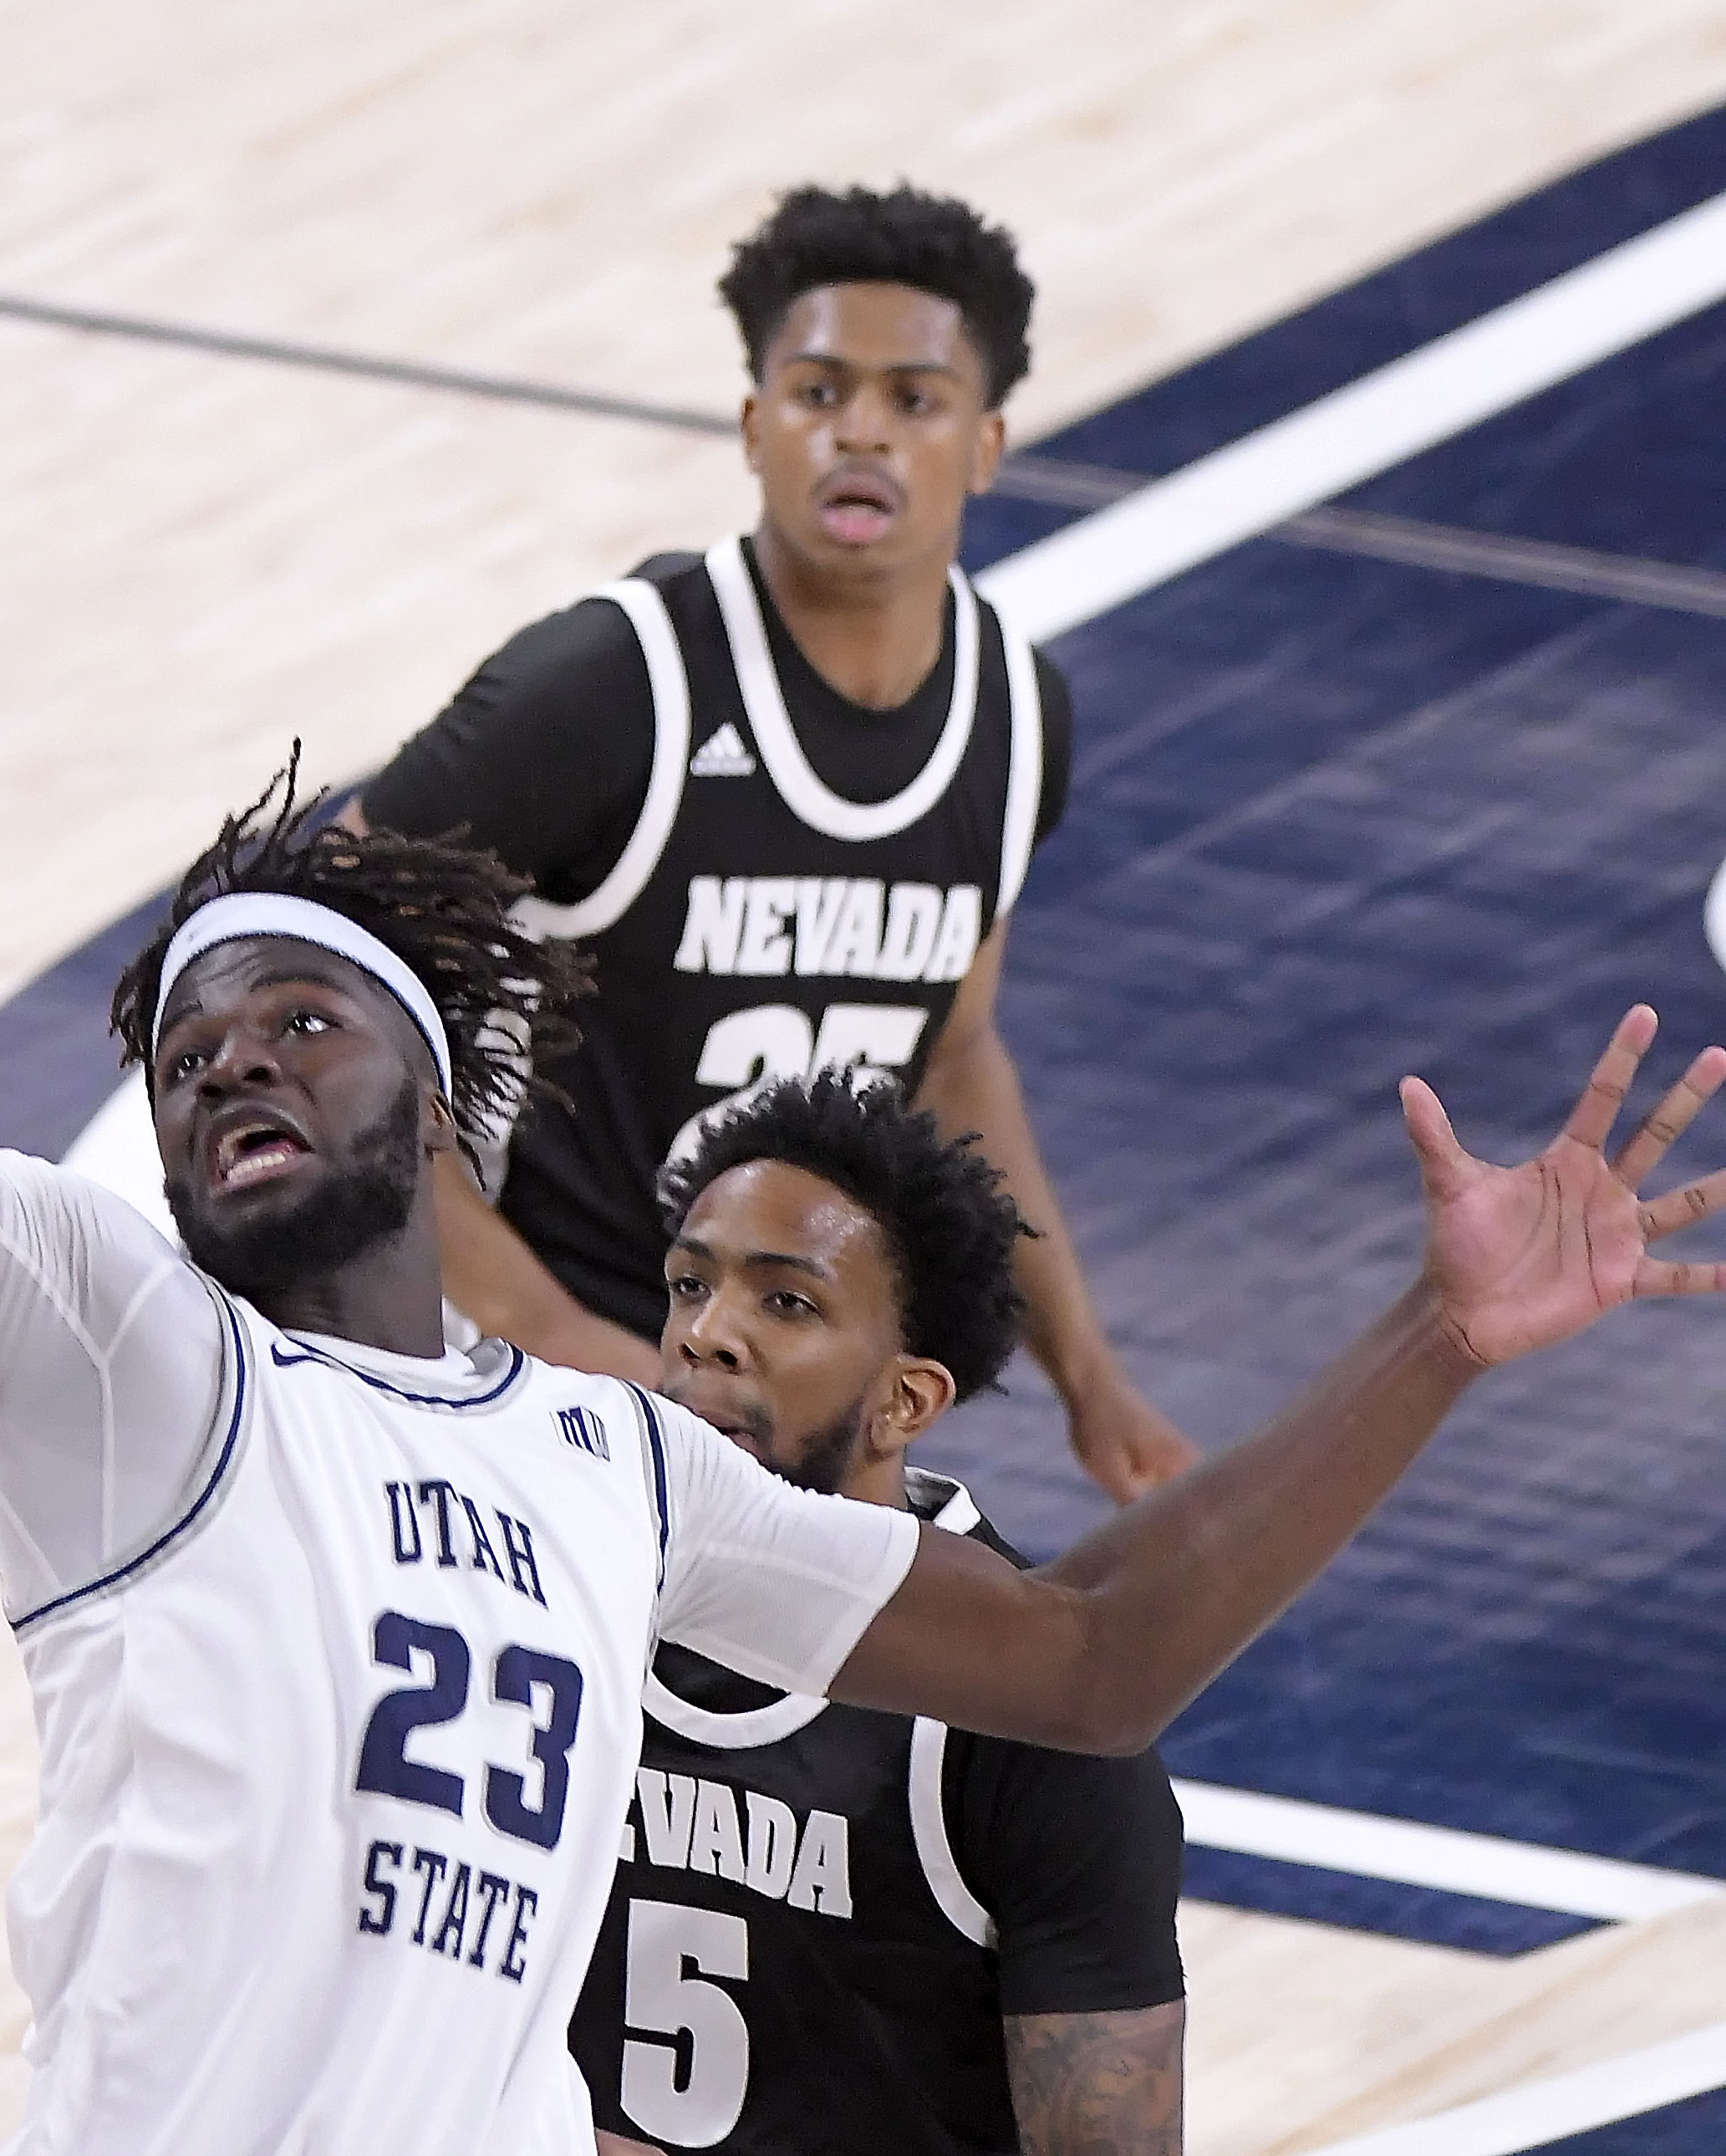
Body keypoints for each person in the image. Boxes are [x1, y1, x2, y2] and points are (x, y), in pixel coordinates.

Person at [0, 274, 1726, 2156]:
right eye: (184, 1050)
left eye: (291, 1015)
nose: (224, 1057)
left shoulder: (614, 1466)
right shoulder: (121, 1349)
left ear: (436, 1090)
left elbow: (1086, 1665)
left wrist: (1431, 1332)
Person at [348, 183, 1197, 1501]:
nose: (858, 431)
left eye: (911, 400)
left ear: (984, 444)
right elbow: (311, 982)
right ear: (755, 428)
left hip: (775, 1416)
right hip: (509, 1388)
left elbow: (953, 1051)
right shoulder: (609, 681)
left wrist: (1085, 1368)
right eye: (816, 392)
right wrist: (549, 1337)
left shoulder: (1017, 715)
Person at [571, 1073, 1183, 2156]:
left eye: (785, 1302)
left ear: (905, 1402)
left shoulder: (1023, 1725)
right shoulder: (543, 1601)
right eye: (686, 1286)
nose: (706, 1335)